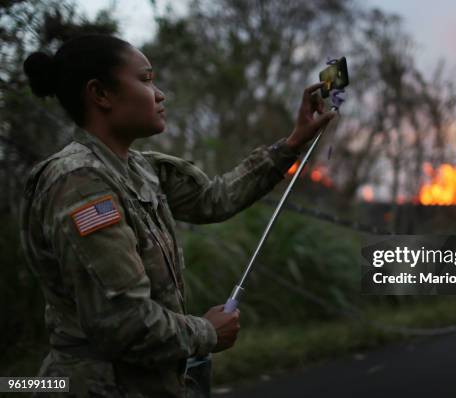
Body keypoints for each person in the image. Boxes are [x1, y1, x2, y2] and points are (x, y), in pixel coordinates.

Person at [20, 33, 336, 397]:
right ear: (100, 94)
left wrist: (294, 142)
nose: (160, 94)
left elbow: (215, 198)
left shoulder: (138, 168)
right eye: (145, 79)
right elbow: (122, 322)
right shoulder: (79, 182)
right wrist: (206, 332)